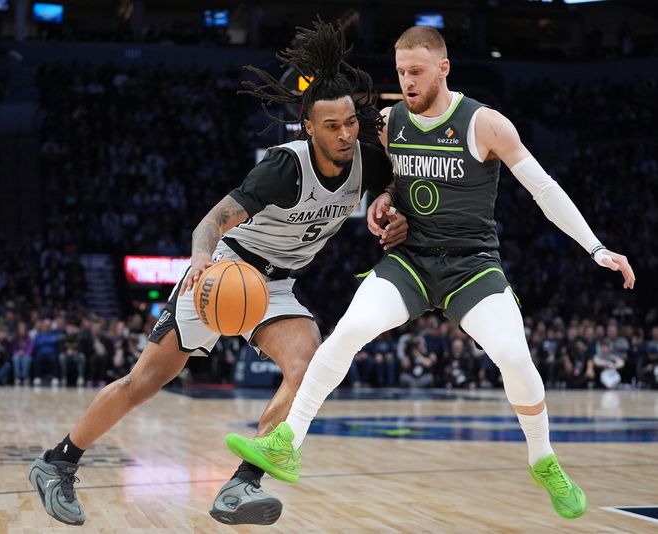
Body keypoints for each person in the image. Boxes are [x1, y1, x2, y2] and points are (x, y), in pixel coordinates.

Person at [224, 26, 636, 520]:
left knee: (512, 355)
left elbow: (544, 191)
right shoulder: (389, 122)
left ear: (444, 69)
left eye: (416, 71)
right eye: (401, 72)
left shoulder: (485, 124)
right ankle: (287, 441)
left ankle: (543, 459)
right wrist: (383, 199)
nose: (407, 81)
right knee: (349, 330)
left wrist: (596, 248)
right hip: (412, 260)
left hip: (471, 265)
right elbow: (386, 181)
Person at [28, 20, 407, 527]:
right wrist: (202, 260)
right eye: (332, 126)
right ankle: (58, 462)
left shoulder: (368, 162)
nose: (344, 134)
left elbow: (402, 180)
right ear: (308, 127)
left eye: (350, 123)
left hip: (276, 285)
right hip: (225, 271)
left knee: (308, 365)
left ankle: (240, 486)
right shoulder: (284, 168)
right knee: (145, 381)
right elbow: (211, 221)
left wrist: (390, 201)